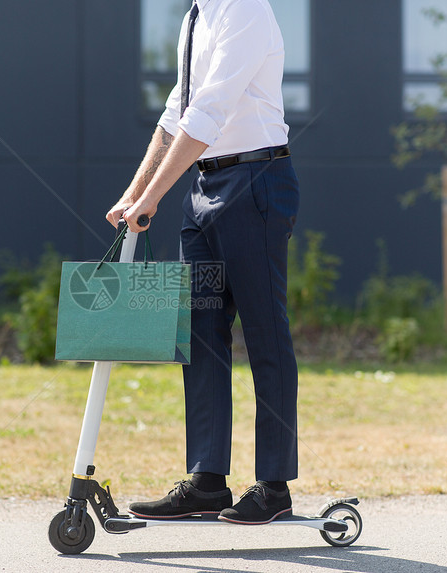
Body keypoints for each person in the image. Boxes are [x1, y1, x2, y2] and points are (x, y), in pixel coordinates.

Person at [106, 0, 300, 525]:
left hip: (256, 182)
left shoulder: (246, 9)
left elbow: (208, 111)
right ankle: (208, 480)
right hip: (204, 185)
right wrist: (134, 193)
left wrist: (154, 198)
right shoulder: (196, 16)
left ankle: (274, 486)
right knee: (201, 330)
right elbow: (176, 112)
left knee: (264, 332)